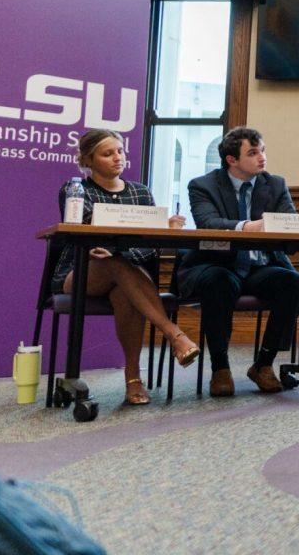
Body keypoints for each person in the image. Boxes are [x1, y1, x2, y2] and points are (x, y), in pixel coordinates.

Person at [52, 129, 197, 406]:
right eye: (108, 154)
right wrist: (120, 251)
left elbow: (150, 246)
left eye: (120, 151)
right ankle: (175, 335)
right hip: (81, 273)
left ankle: (133, 380)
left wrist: (166, 231)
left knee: (123, 288)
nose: (118, 158)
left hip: (129, 276)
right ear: (88, 160)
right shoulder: (76, 190)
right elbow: (84, 237)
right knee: (114, 264)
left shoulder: (141, 192)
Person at [174, 127, 299, 398]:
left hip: (259, 267)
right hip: (218, 265)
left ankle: (264, 363)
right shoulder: (203, 185)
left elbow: (289, 227)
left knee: (292, 282)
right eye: (253, 153)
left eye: (263, 151)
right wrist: (250, 227)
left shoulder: (275, 184)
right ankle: (220, 367)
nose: (262, 158)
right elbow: (208, 223)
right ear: (232, 160)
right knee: (218, 281)